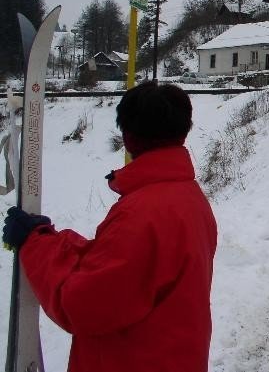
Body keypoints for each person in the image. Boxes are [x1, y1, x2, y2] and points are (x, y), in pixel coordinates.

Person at [2, 81, 217, 372]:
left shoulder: (142, 214)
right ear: (183, 129)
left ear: (128, 138)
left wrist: (33, 244)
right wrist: (47, 240)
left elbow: (82, 305)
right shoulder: (189, 198)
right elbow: (119, 266)